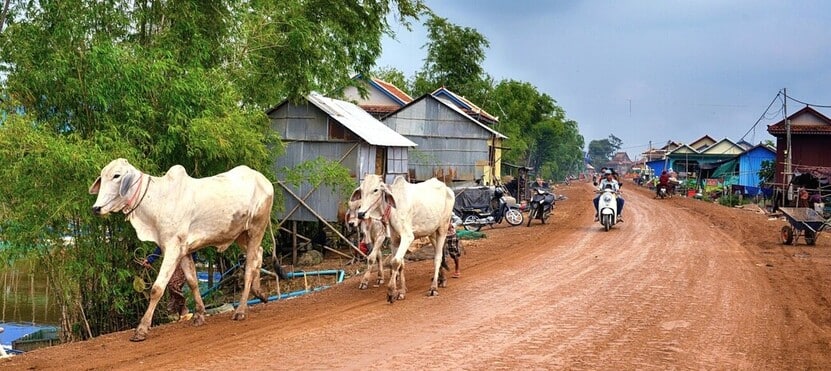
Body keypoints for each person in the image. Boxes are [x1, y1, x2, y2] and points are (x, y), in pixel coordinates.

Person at [140, 246, 194, 321]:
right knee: (173, 285)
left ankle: (183, 310)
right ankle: (181, 314)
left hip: (185, 260)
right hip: (172, 261)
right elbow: (161, 246)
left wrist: (191, 261)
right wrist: (150, 260)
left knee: (173, 284)